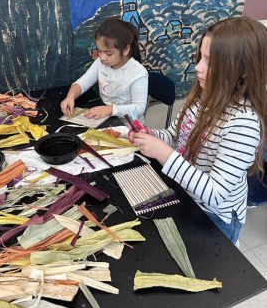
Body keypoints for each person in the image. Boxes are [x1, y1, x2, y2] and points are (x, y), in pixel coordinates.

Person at [130, 17, 267, 244]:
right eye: (201, 57)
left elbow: (215, 194)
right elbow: (176, 137)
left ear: (242, 71)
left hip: (216, 217)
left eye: (210, 61)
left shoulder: (244, 124)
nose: (198, 67)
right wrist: (153, 136)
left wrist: (163, 153)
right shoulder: (201, 99)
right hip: (187, 198)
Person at [60, 18, 148, 122]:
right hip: (106, 118)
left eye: (108, 53)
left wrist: (110, 110)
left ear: (125, 49)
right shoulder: (100, 63)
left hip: (130, 126)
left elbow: (139, 108)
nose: (102, 57)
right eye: (100, 51)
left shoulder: (138, 73)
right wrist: (70, 96)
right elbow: (82, 83)